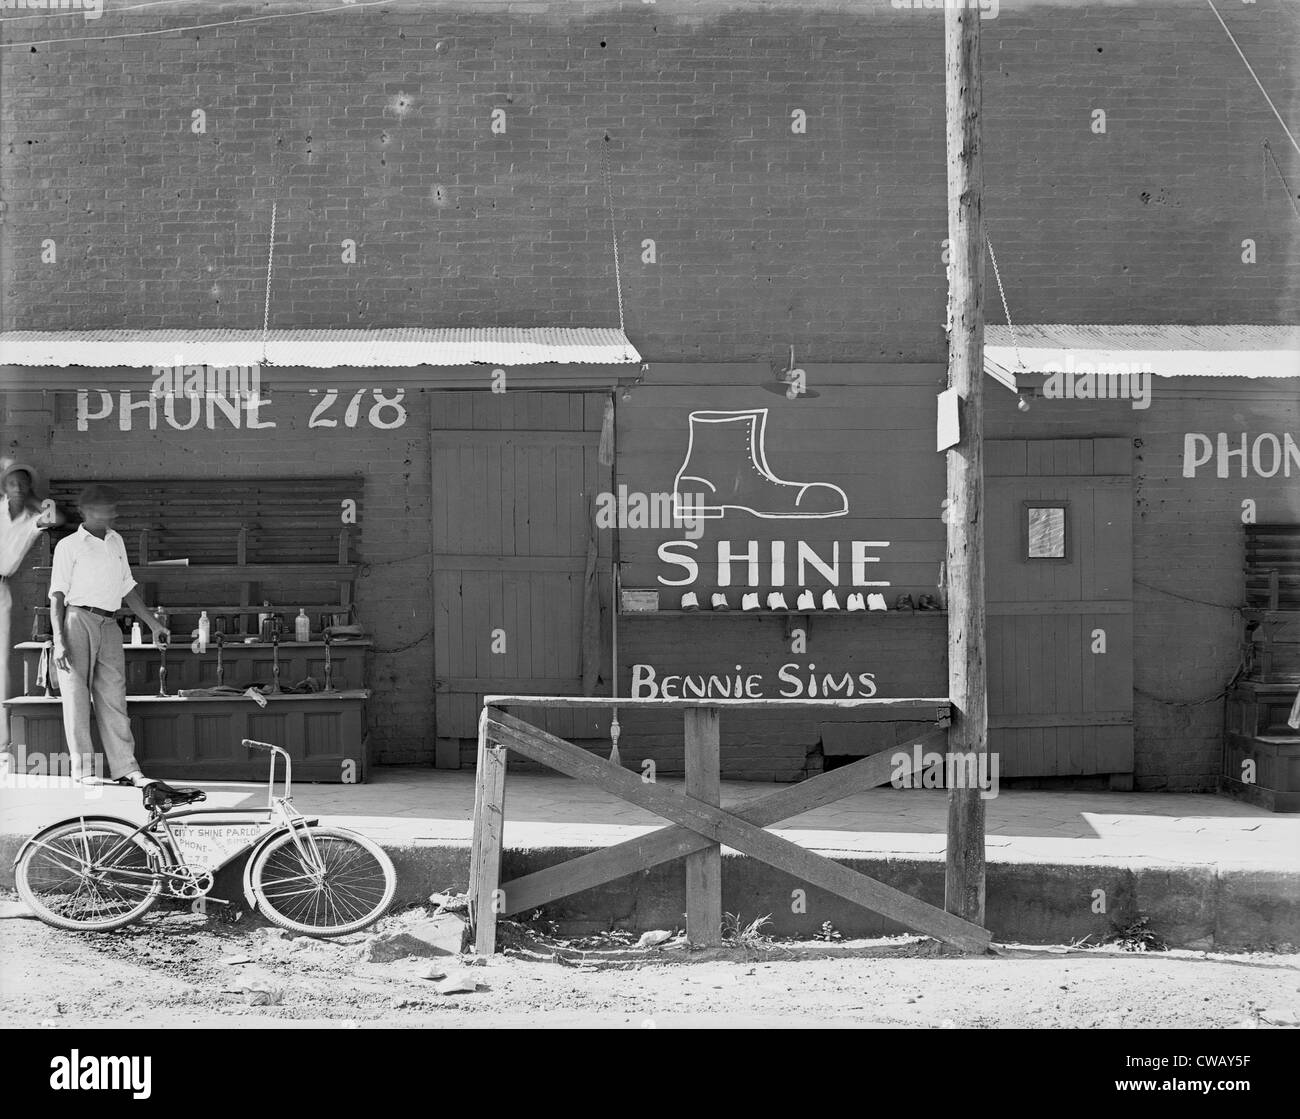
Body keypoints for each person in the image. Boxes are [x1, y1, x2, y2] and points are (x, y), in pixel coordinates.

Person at [48, 483, 173, 787]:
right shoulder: (69, 545)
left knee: (114, 696)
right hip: (77, 619)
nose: (110, 517)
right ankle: (84, 771)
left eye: (111, 511)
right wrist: (59, 641)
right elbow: (57, 596)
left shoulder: (116, 541)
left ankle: (126, 768)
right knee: (76, 697)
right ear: (86, 512)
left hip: (110, 623)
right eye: (104, 511)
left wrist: (153, 624)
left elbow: (127, 587)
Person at [0, 463, 61, 748]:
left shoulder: (32, 517)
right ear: (4, 487)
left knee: (1, 664)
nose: (18, 488)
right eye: (13, 483)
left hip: (2, 586)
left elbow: (58, 517)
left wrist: (33, 497)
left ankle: (2, 740)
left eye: (24, 484)